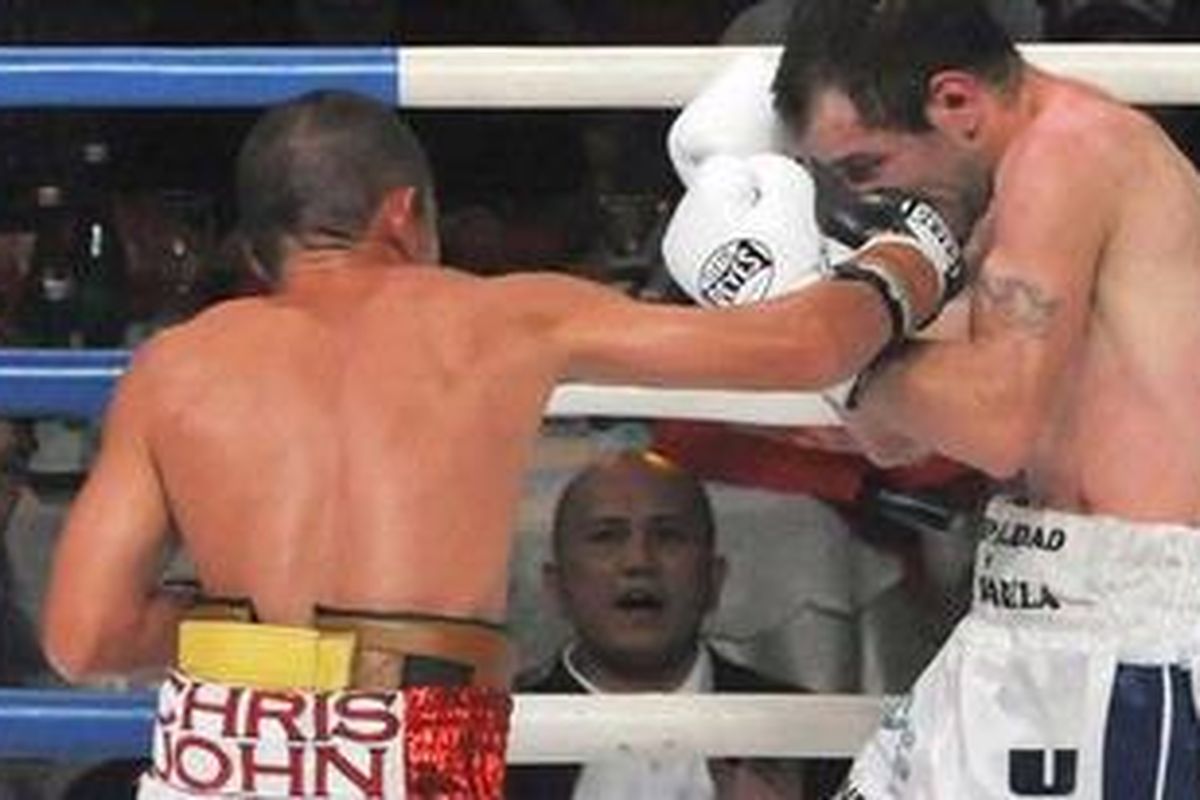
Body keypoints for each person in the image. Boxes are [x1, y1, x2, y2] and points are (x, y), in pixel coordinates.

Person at [40, 89, 962, 799]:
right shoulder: (502, 318)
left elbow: (85, 638)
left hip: (217, 742)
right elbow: (806, 348)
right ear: (405, 214)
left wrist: (271, 636)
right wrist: (925, 240)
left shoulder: (177, 366)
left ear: (256, 247)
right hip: (418, 726)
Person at [660, 0, 1200, 796]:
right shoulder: (999, 207)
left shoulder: (1070, 156)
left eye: (865, 168)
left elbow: (996, 423)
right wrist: (801, 317)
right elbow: (898, 435)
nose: (868, 201)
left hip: (1123, 641)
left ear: (955, 104)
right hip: (1025, 618)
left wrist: (820, 331)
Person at [506, 449, 845, 799]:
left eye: (668, 535)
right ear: (556, 586)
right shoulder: (494, 742)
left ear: (714, 580)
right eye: (606, 536)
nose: (639, 561)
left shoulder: (807, 738)